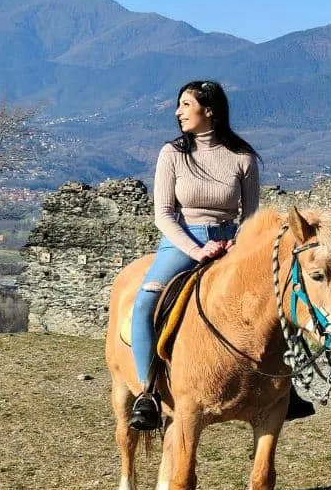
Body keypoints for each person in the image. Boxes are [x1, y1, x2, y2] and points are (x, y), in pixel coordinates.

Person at [128, 80, 314, 430]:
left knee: (284, 296)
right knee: (144, 302)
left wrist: (238, 244)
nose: (177, 111)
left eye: (185, 104)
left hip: (233, 242)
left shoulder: (243, 157)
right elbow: (163, 215)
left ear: (208, 110)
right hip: (184, 240)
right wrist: (197, 250)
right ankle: (148, 391)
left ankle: (286, 388)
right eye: (179, 105)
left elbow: (252, 216)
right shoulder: (173, 154)